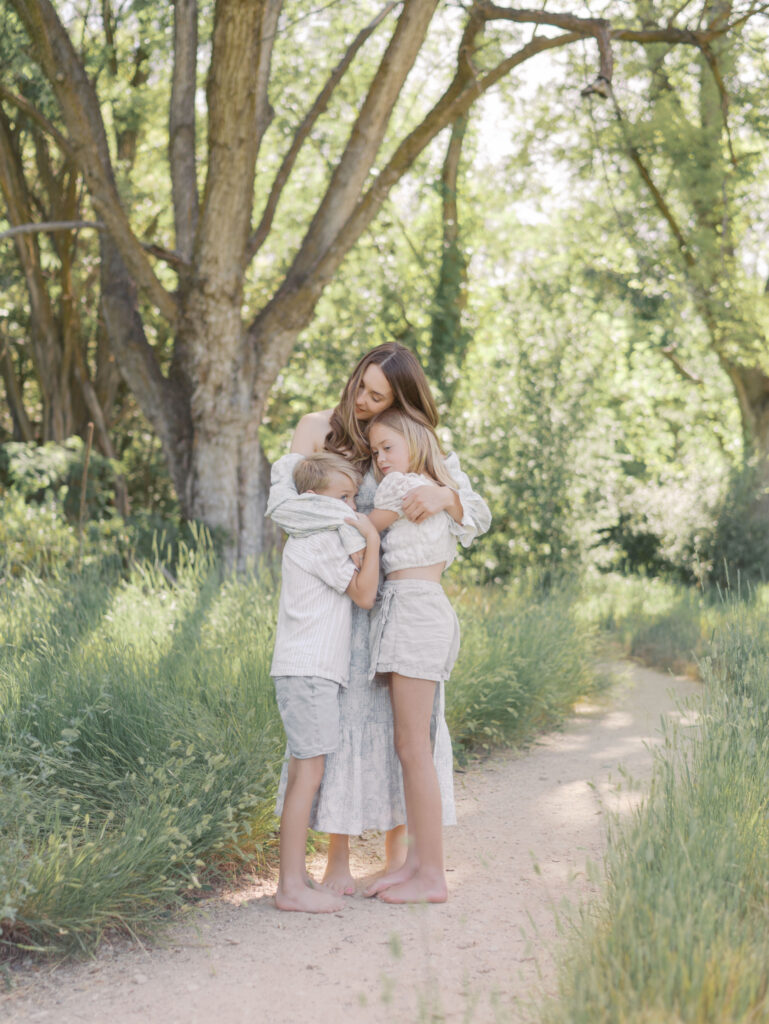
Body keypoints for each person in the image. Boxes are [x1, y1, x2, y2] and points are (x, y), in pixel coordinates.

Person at [266, 342, 490, 894]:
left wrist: (442, 495)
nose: (362, 401)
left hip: (396, 606)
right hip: (342, 600)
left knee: (403, 734)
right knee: (341, 728)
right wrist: (350, 522)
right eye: (360, 386)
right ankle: (335, 864)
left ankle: (401, 859)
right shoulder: (317, 428)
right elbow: (285, 506)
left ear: (400, 400)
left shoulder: (404, 437)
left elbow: (475, 512)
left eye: (377, 395)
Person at [363, 407, 465, 903]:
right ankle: (418, 864)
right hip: (419, 609)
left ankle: (432, 876)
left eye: (387, 448)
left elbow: (368, 526)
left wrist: (326, 513)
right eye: (375, 451)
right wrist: (446, 495)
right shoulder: (431, 487)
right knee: (411, 745)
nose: (380, 459)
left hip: (415, 611)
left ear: (413, 442)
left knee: (413, 747)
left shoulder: (405, 486)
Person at [271, 453, 380, 913]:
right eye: (344, 497)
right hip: (308, 672)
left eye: (355, 497)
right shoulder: (317, 541)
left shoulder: (316, 536)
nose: (352, 506)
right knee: (308, 775)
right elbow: (366, 596)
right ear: (314, 500)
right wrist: (370, 539)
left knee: (303, 772)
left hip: (308, 672)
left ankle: (294, 880)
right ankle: (290, 888)